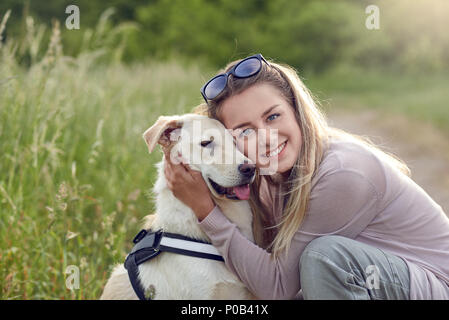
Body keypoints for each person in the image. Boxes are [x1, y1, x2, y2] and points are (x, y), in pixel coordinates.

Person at [162, 53, 449, 299]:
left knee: (323, 258)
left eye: (273, 117)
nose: (266, 138)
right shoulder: (265, 178)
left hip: (436, 286)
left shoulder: (343, 172)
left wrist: (205, 210)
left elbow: (276, 287)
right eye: (245, 131)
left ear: (296, 111)